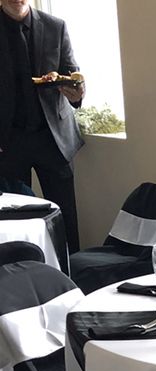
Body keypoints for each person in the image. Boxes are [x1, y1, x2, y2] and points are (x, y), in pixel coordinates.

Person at [0, 0, 85, 253]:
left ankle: (72, 274)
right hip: (8, 140)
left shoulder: (55, 26)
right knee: (13, 217)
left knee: (64, 216)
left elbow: (72, 74)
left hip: (53, 137)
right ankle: (20, 275)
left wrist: (76, 93)